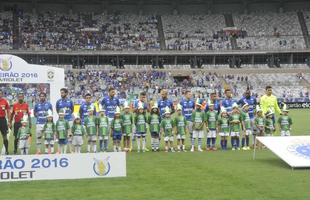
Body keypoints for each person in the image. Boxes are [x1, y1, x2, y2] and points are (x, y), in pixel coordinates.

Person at [56, 88, 74, 153]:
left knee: (69, 135)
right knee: (60, 135)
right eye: (61, 93)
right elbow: (58, 110)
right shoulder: (58, 102)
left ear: (66, 93)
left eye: (63, 93)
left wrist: (67, 115)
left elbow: (72, 110)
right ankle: (59, 151)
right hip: (61, 121)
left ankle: (71, 150)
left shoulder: (70, 101)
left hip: (69, 120)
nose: (61, 94)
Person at [0, 89, 10, 155]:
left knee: (5, 136)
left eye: (0, 93)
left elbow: (8, 111)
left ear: (2, 94)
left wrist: (9, 121)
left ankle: (6, 150)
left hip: (3, 120)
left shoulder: (5, 101)